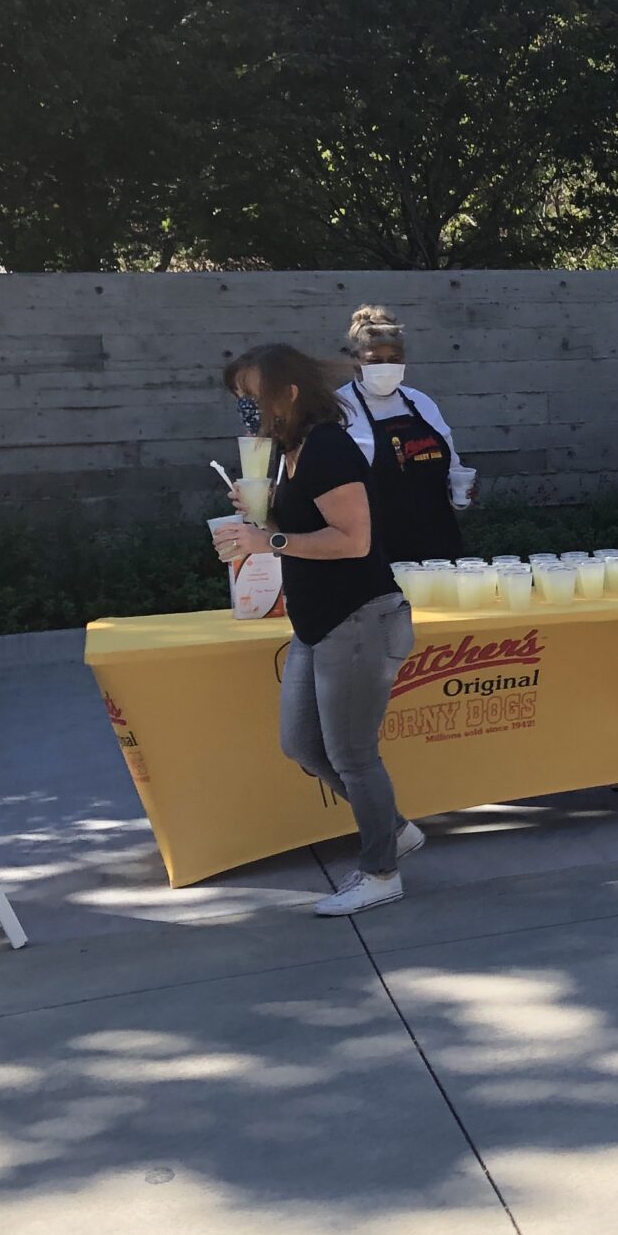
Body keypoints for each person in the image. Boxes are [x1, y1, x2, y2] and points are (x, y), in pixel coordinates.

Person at [218, 343, 425, 917]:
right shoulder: (291, 451)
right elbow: (307, 524)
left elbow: (353, 540)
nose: (247, 409)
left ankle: (381, 872)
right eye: (239, 399)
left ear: (288, 393)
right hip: (319, 623)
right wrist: (263, 513)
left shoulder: (328, 448)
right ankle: (395, 831)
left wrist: (269, 539)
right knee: (302, 744)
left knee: (354, 755)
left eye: (252, 397)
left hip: (358, 618)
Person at [335, 304, 468, 564]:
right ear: (355, 360)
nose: (386, 367)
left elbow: (453, 468)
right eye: (374, 361)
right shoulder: (337, 411)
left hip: (438, 547)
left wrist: (462, 493)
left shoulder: (422, 403)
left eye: (394, 360)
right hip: (373, 554)